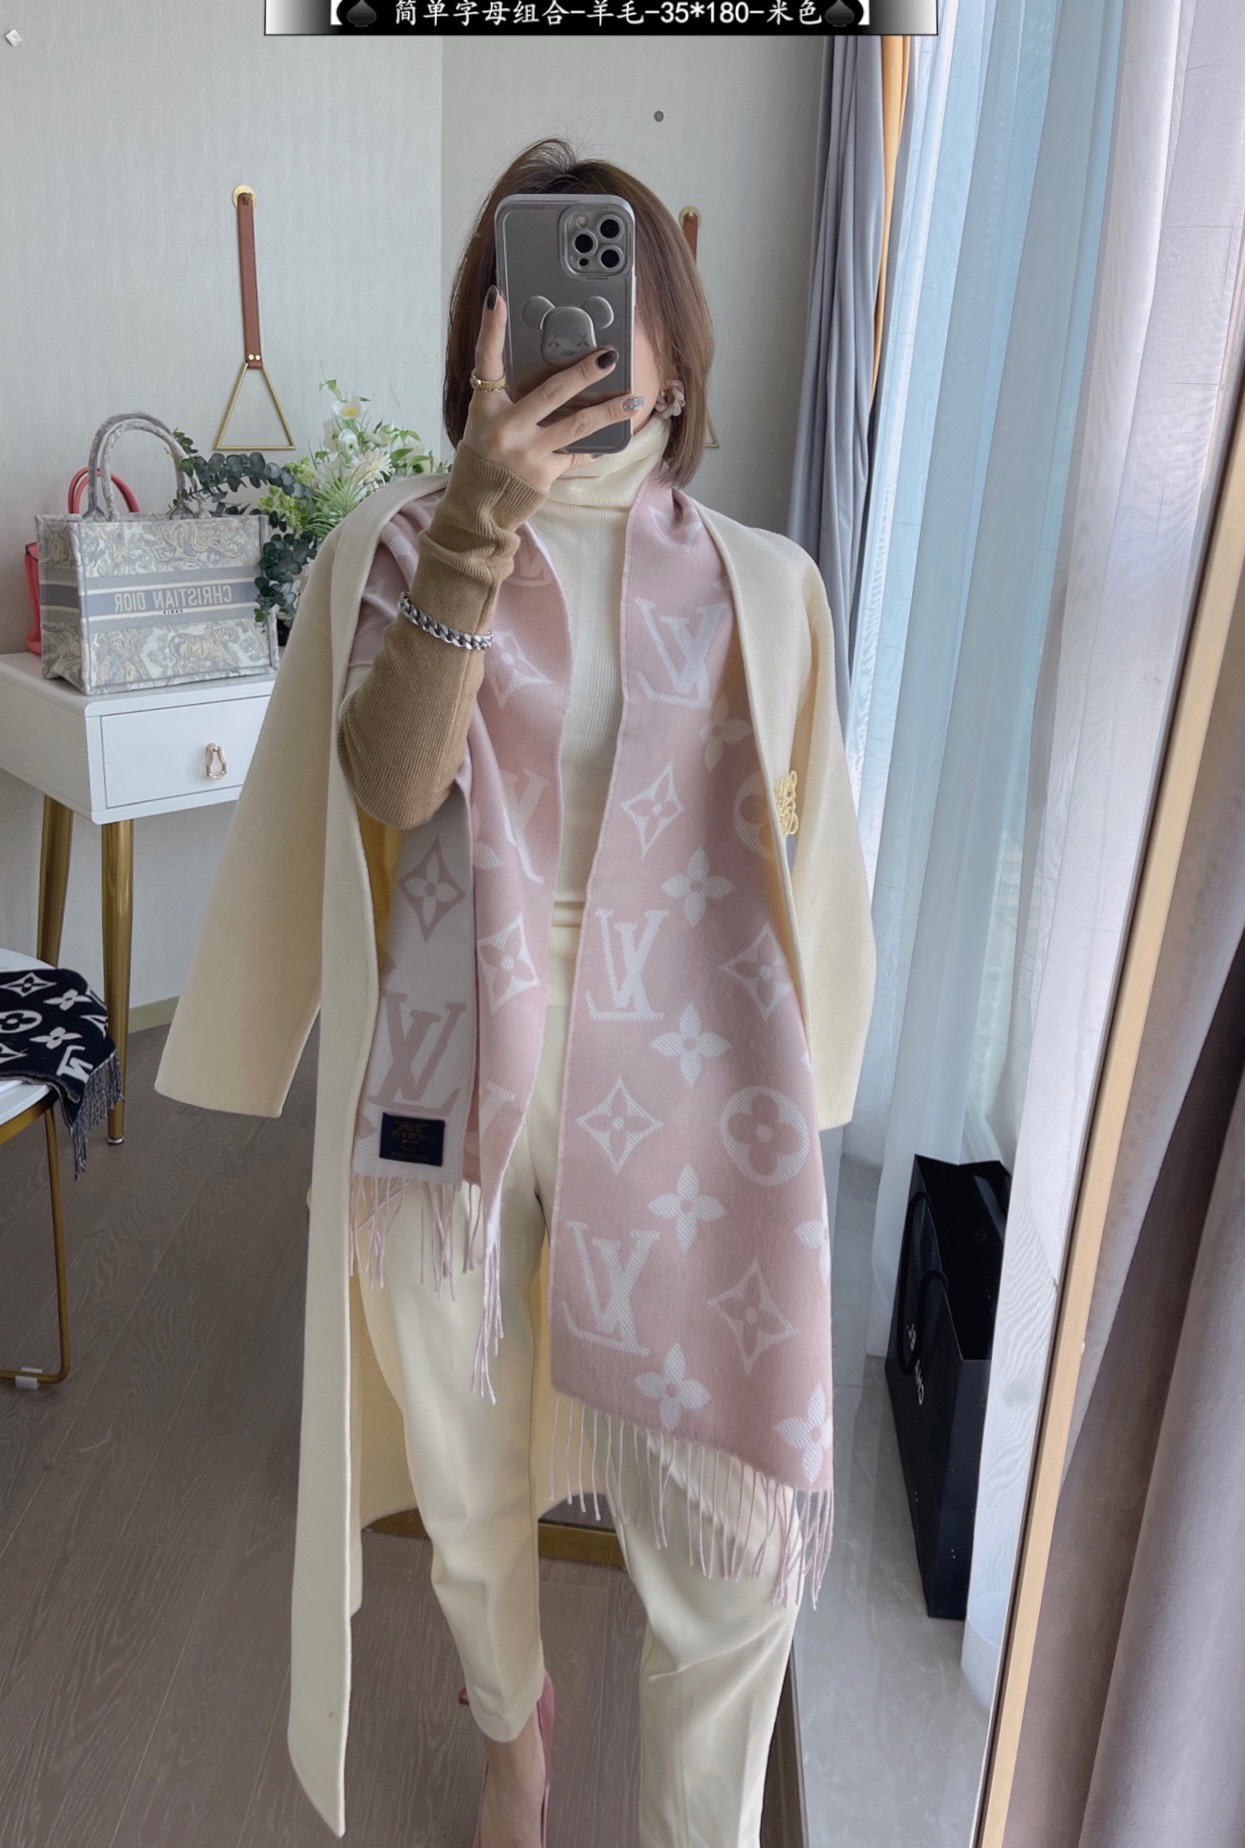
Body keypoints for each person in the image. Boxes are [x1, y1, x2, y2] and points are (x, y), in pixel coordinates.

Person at [156, 139, 874, 1848]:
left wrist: (823, 1091)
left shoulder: (770, 584)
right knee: (466, 1486)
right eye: (523, 284)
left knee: (726, 1526)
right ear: (479, 329)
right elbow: (389, 786)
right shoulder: (395, 546)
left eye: (610, 287)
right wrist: (478, 523)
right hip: (452, 1069)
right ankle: (511, 1728)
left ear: (676, 351)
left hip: (692, 1086)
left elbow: (816, 864)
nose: (567, 325)